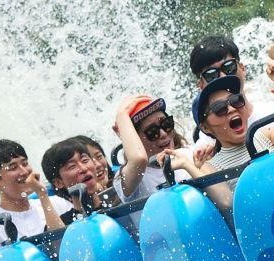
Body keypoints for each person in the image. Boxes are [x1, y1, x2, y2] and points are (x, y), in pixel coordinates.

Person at [112, 96, 191, 226]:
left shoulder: (190, 153)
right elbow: (139, 159)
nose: (163, 134)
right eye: (152, 132)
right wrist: (121, 115)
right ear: (135, 138)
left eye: (166, 124)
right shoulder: (127, 179)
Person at [41, 137, 111, 224]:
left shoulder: (117, 200)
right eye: (72, 166)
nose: (83, 169)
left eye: (85, 160)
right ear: (58, 183)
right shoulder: (64, 225)